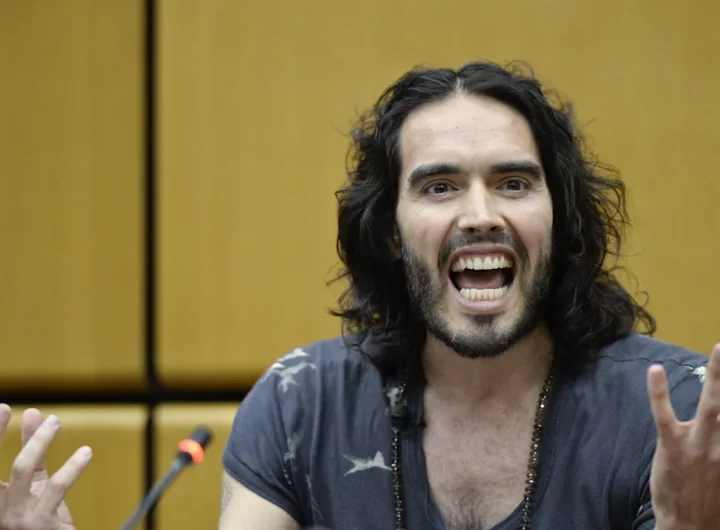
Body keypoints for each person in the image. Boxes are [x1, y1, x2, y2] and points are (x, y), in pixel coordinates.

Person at [0, 61, 718, 530]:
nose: (480, 214)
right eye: (439, 186)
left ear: (559, 221)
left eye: (513, 182)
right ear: (390, 234)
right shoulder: (301, 405)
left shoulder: (679, 416)